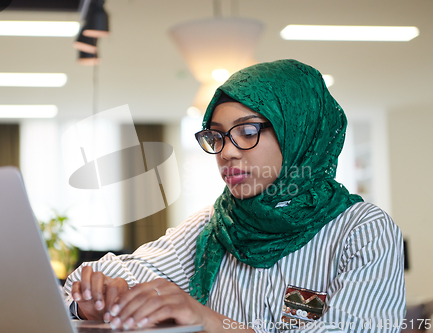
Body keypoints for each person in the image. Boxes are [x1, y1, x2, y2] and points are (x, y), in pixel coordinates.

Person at [63, 59, 405, 332]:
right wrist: (101, 297)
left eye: (247, 131)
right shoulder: (214, 226)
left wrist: (209, 321)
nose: (226, 152)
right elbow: (93, 279)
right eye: (217, 137)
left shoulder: (364, 230)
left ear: (297, 133)